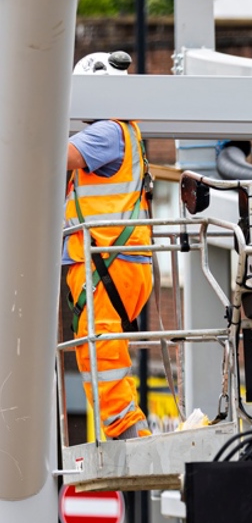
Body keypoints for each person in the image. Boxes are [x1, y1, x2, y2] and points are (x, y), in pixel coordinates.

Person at [64, 51, 154, 440]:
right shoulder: (127, 133)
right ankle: (123, 426)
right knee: (100, 344)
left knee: (99, 344)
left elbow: (52, 155)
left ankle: (126, 430)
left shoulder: (107, 132)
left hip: (106, 260)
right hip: (117, 262)